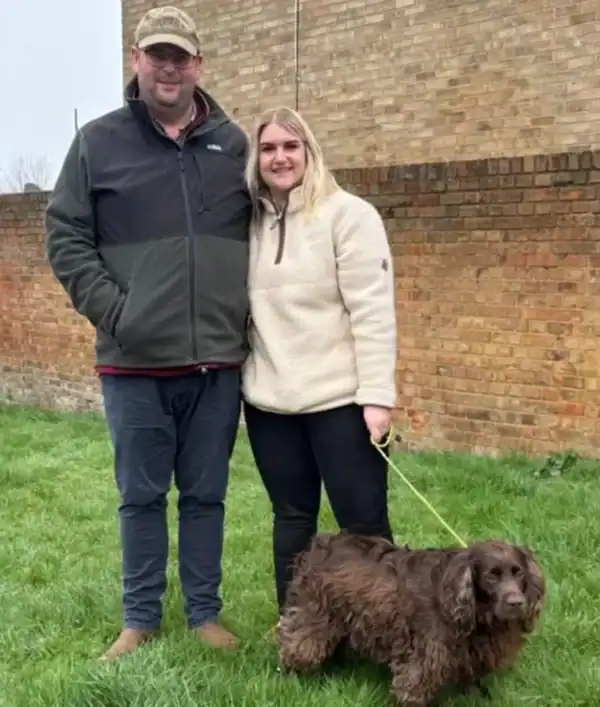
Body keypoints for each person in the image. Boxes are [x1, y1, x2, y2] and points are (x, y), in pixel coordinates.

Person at [45, 6, 251, 660]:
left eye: (180, 56)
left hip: (215, 363)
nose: (169, 67)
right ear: (135, 59)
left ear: (199, 66)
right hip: (133, 364)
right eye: (157, 54)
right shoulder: (98, 143)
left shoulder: (234, 146)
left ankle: (204, 613)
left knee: (206, 496)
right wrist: (116, 312)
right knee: (140, 497)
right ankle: (140, 619)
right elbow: (65, 235)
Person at [241, 107, 398, 620]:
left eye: (291, 146)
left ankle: (378, 630)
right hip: (271, 405)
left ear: (309, 151)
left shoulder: (349, 215)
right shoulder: (248, 224)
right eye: (268, 148)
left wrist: (377, 398)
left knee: (364, 526)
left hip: (341, 402)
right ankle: (297, 630)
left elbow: (372, 311)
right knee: (291, 520)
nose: (279, 157)